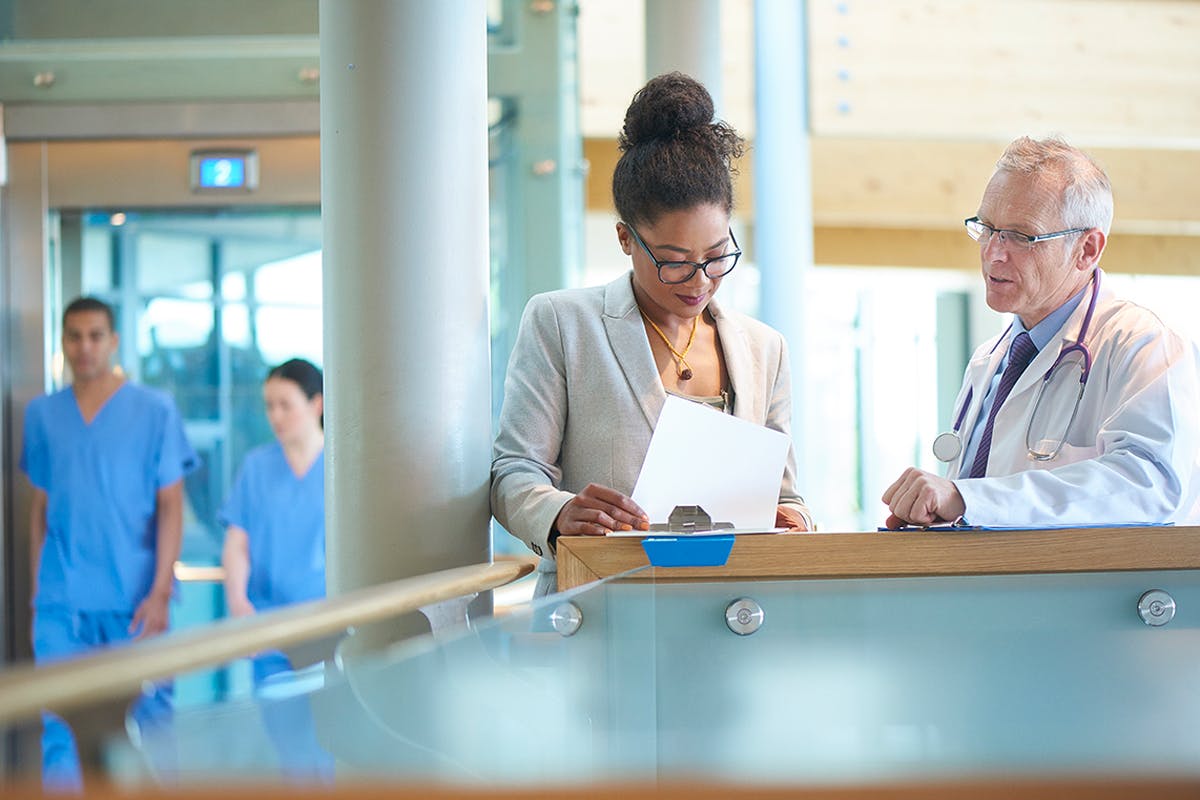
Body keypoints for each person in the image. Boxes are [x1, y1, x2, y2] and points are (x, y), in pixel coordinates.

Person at [492, 72, 812, 596]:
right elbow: (514, 472)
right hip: (601, 604)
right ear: (625, 238)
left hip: (731, 610)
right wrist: (560, 512)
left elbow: (787, 495)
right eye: (674, 262)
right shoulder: (563, 324)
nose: (700, 280)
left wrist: (792, 522)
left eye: (716, 257)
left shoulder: (763, 348)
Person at [883, 136, 1200, 529]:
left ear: (1087, 249)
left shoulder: (1144, 345)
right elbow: (979, 507)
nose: (993, 253)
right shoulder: (989, 360)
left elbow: (1150, 484)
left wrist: (969, 497)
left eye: (1021, 236)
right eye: (987, 228)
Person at [21, 296, 198, 789]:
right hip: (63, 605)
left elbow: (171, 506)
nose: (85, 347)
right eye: (74, 336)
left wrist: (161, 591)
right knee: (60, 729)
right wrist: (41, 591)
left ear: (114, 341)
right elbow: (41, 507)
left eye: (95, 336)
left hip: (136, 602)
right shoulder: (43, 415)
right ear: (62, 343)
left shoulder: (154, 410)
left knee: (148, 730)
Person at [219, 357, 332, 779]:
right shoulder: (257, 468)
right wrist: (238, 603)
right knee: (292, 753)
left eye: (286, 404)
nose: (276, 416)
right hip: (269, 630)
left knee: (332, 746)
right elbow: (237, 543)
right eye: (269, 406)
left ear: (316, 403)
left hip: (331, 629)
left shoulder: (342, 467)